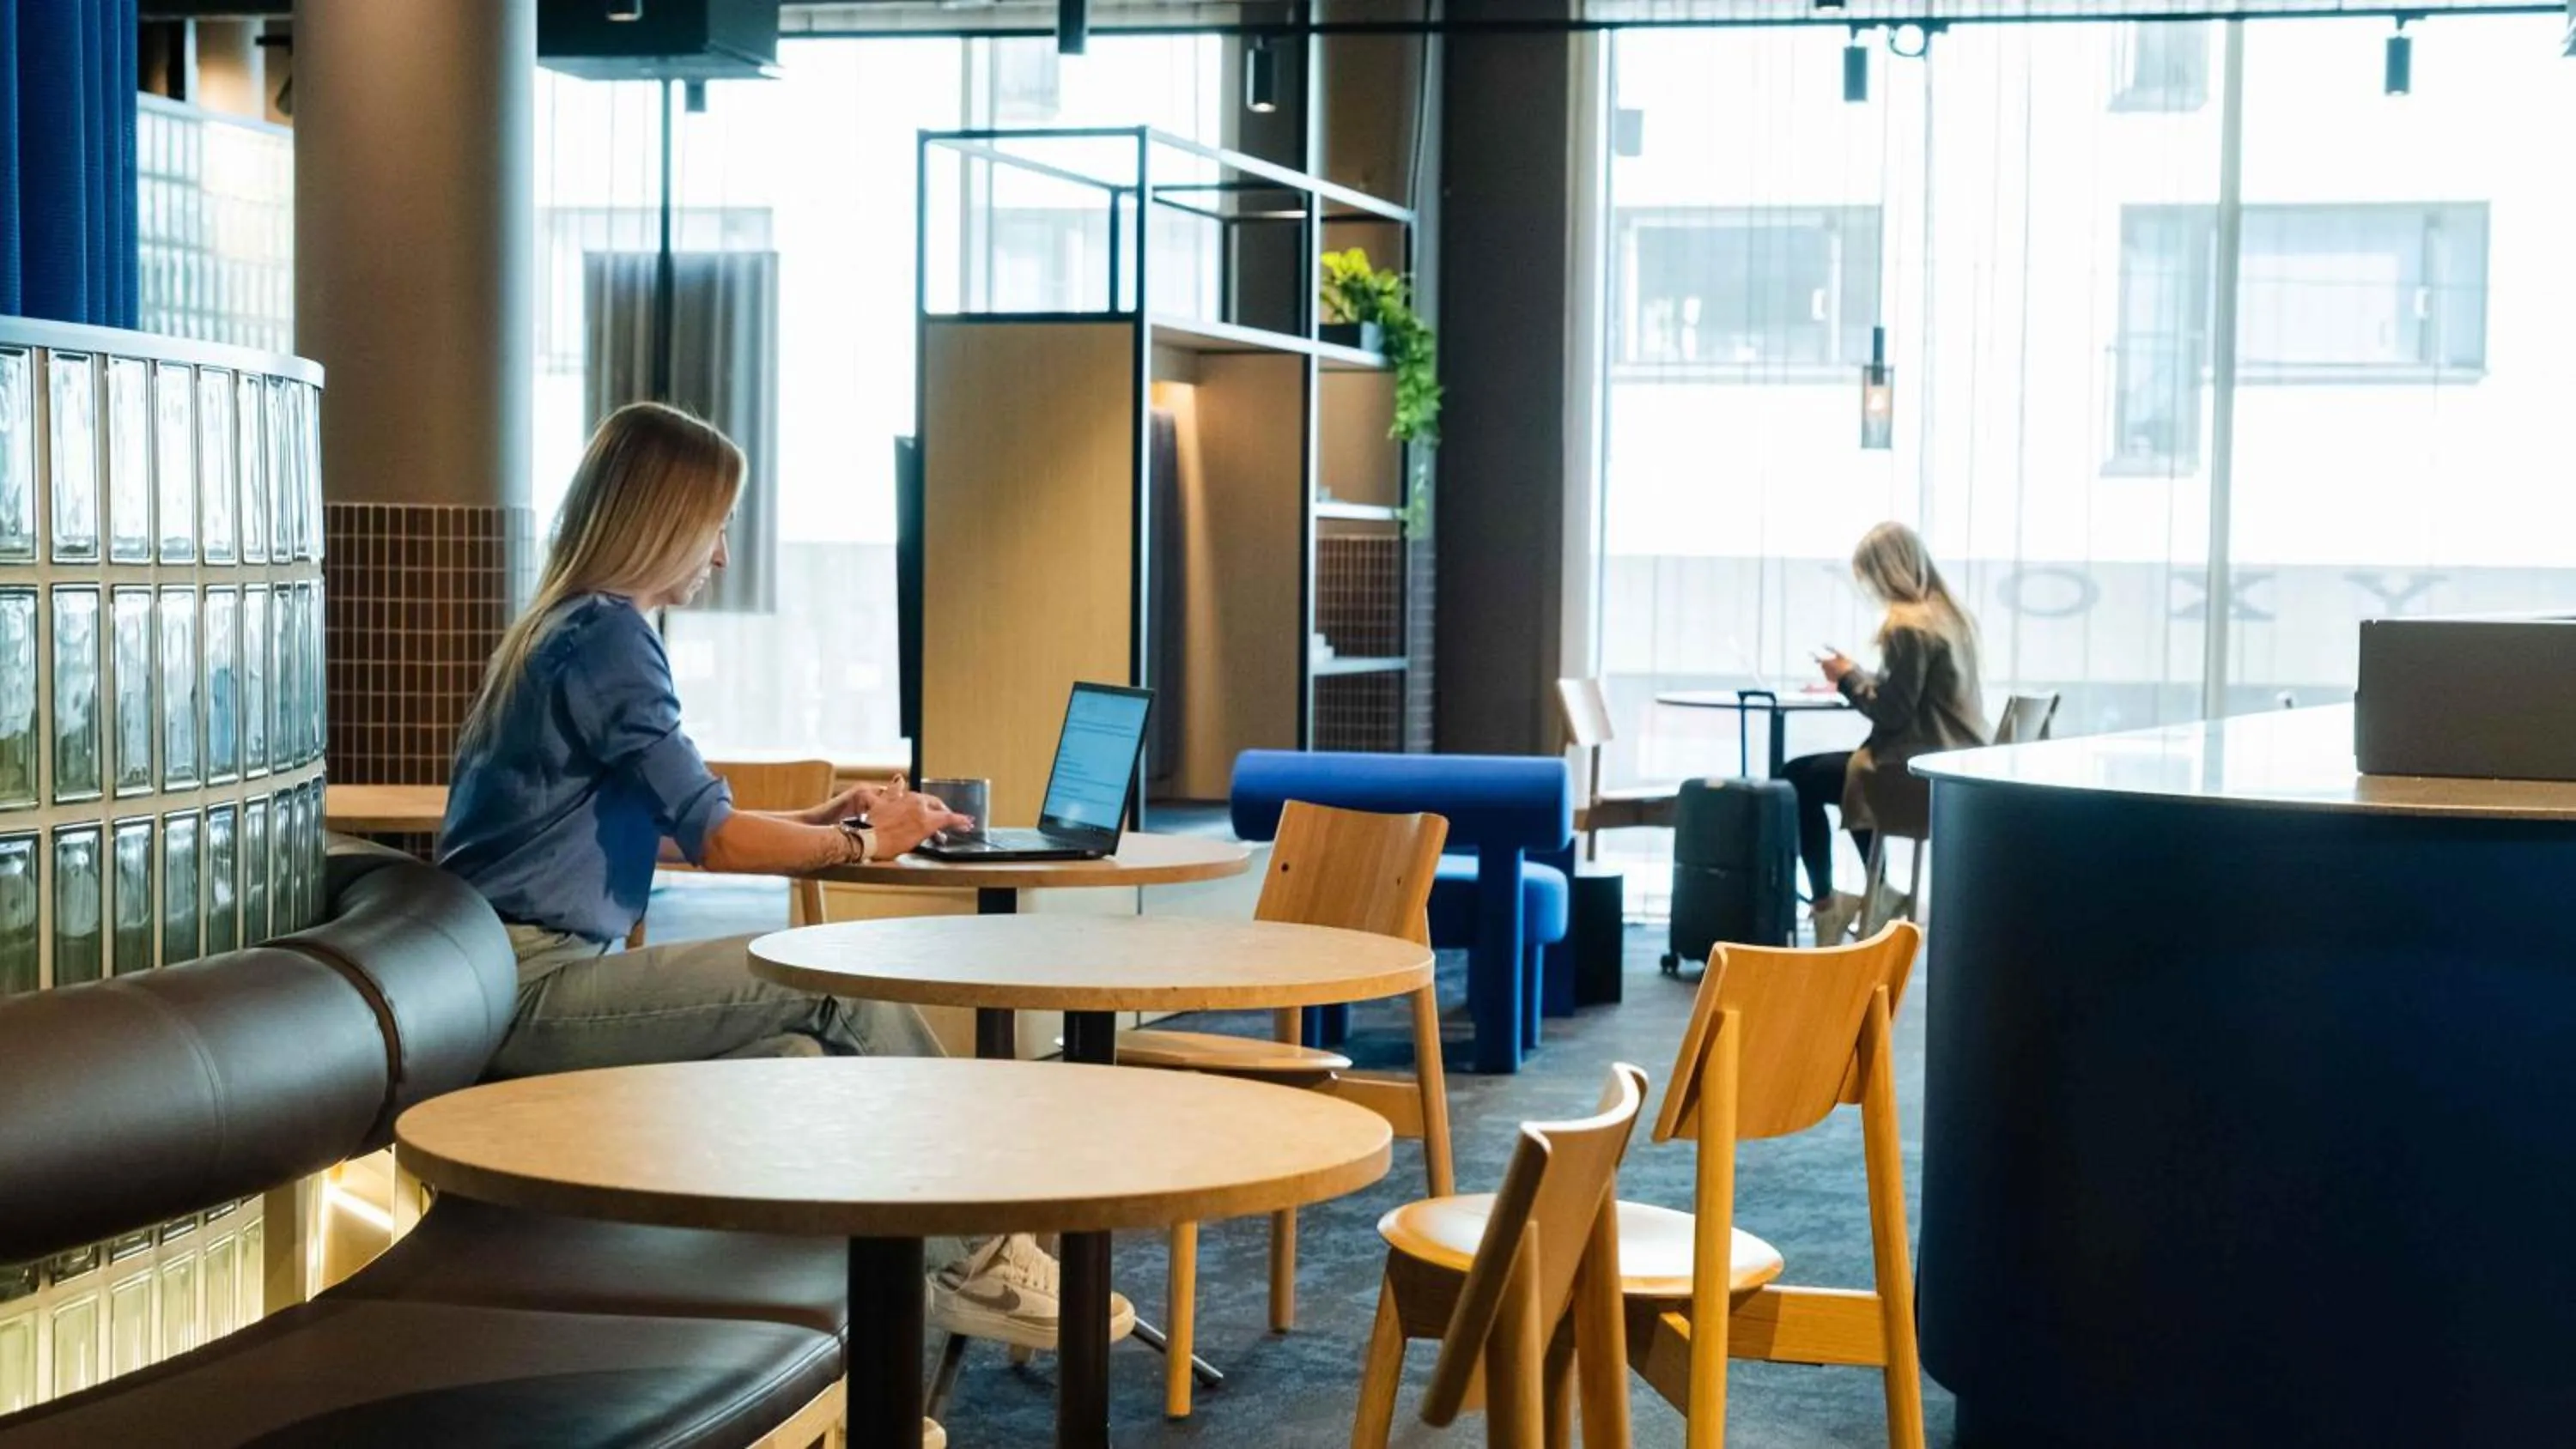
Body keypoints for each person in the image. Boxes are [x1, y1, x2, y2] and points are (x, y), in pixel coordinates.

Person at [438, 400, 1124, 1352]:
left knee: (800, 1068)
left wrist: (815, 819)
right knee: (834, 983)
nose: (720, 555)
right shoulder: (610, 636)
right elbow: (715, 839)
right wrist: (865, 845)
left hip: (498, 975)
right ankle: (983, 1250)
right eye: (717, 527)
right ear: (666, 522)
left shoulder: (565, 626)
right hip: (530, 986)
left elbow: (661, 830)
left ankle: (832, 1337)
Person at [1782, 520, 1991, 945]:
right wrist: (1856, 673)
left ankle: (1828, 901)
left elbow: (1892, 713)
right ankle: (1875, 889)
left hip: (1909, 773)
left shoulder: (1906, 625)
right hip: (1954, 761)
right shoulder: (1952, 617)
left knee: (1796, 777)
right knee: (1831, 773)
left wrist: (1846, 679)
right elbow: (1912, 693)